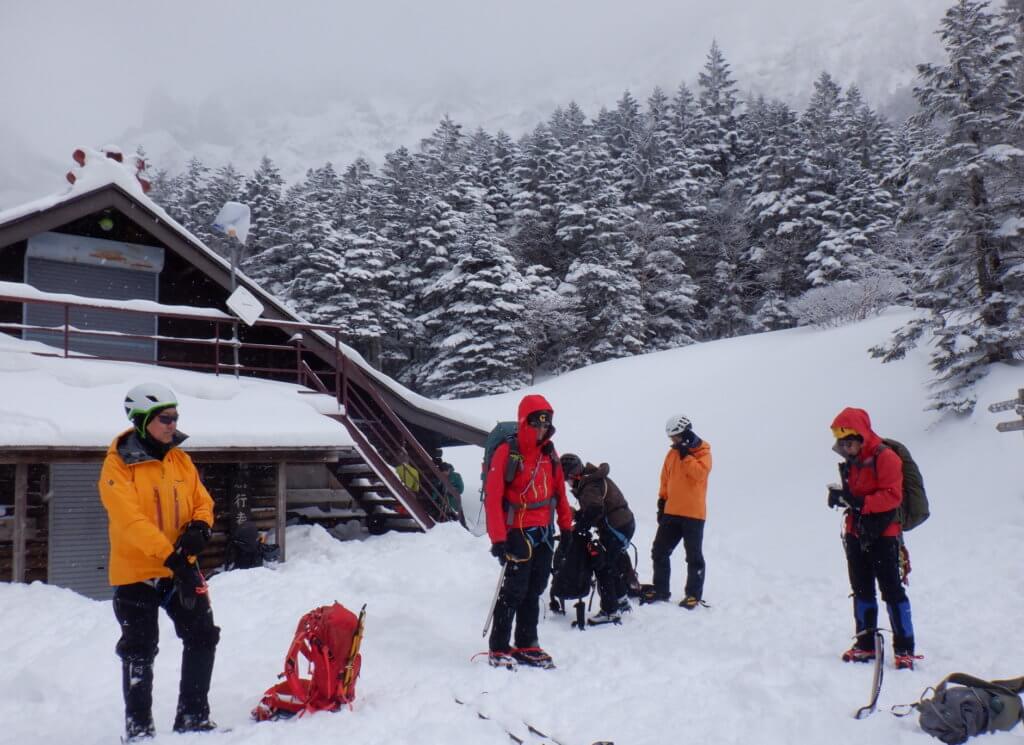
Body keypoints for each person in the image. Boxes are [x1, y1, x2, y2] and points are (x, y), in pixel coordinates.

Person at [98, 382, 220, 741]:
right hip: (137, 572)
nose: (172, 423)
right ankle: (139, 731)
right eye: (165, 418)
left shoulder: (180, 459)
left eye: (175, 416)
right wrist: (170, 557)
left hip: (181, 568)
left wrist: (200, 526)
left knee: (203, 635)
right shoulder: (117, 467)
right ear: (141, 419)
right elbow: (130, 521)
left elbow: (203, 500)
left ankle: (193, 718)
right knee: (139, 650)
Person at [484, 394, 572, 669]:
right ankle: (499, 647)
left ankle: (526, 643)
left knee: (535, 589)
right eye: (537, 423)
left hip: (544, 531)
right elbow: (493, 495)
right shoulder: (507, 452)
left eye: (546, 424)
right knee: (514, 591)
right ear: (525, 422)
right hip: (517, 531)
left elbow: (560, 491)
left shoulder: (549, 453)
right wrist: (498, 539)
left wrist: (566, 527)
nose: (542, 429)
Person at [828, 407, 918, 670]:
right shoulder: (852, 462)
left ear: (861, 436)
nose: (845, 448)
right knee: (862, 589)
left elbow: (892, 496)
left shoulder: (886, 458)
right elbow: (855, 496)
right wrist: (841, 498)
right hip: (856, 531)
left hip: (883, 534)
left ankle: (905, 649)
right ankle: (865, 644)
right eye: (841, 444)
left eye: (849, 443)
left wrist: (860, 502)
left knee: (891, 590)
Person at [642, 414, 712, 609]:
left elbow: (700, 474)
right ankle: (661, 590)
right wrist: (662, 502)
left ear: (686, 433)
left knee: (693, 557)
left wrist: (686, 456)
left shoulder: (703, 452)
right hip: (672, 512)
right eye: (671, 438)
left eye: (676, 437)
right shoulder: (672, 453)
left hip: (694, 514)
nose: (673, 441)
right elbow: (665, 479)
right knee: (659, 551)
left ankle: (693, 595)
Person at [559, 454, 636, 624]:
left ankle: (610, 610)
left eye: (567, 480)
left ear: (573, 475)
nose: (568, 484)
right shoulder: (592, 479)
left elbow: (594, 510)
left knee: (603, 565)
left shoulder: (588, 485)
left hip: (616, 527)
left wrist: (578, 526)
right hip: (623, 524)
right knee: (611, 562)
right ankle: (621, 599)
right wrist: (579, 515)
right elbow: (595, 509)